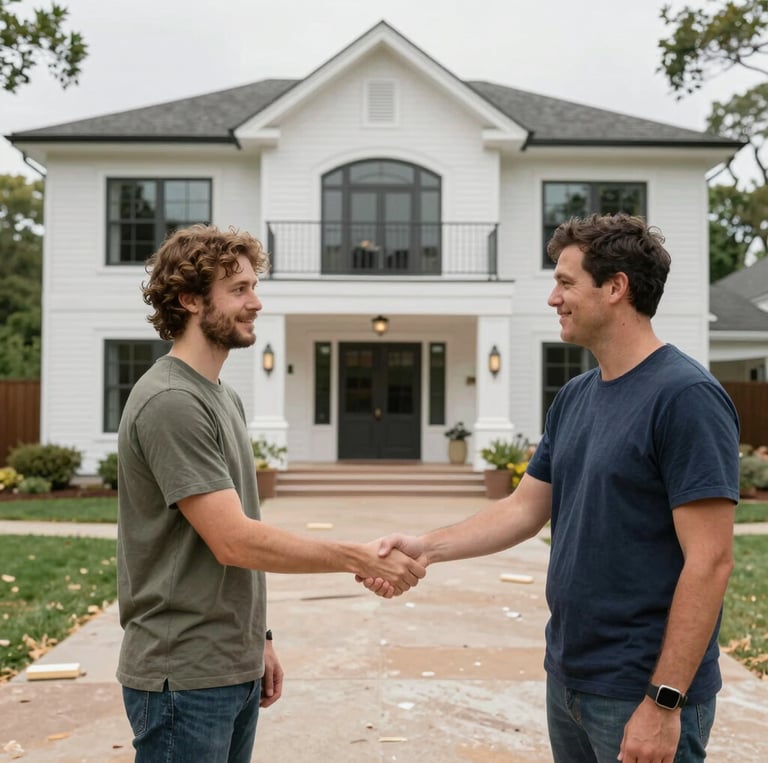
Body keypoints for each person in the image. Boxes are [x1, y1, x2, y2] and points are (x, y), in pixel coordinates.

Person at [363, 213, 739, 763]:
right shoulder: (576, 397)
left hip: (641, 690)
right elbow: (522, 509)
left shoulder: (685, 397)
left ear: (616, 288)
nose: (551, 298)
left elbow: (711, 561)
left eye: (565, 282)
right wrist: (425, 548)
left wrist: (663, 701)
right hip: (569, 678)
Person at [116, 223, 426, 763]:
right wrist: (354, 555)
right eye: (238, 290)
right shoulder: (171, 402)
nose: (256, 302)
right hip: (183, 674)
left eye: (254, 286)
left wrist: (259, 636)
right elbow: (234, 541)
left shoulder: (222, 397)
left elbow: (237, 534)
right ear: (190, 299)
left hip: (227, 663)